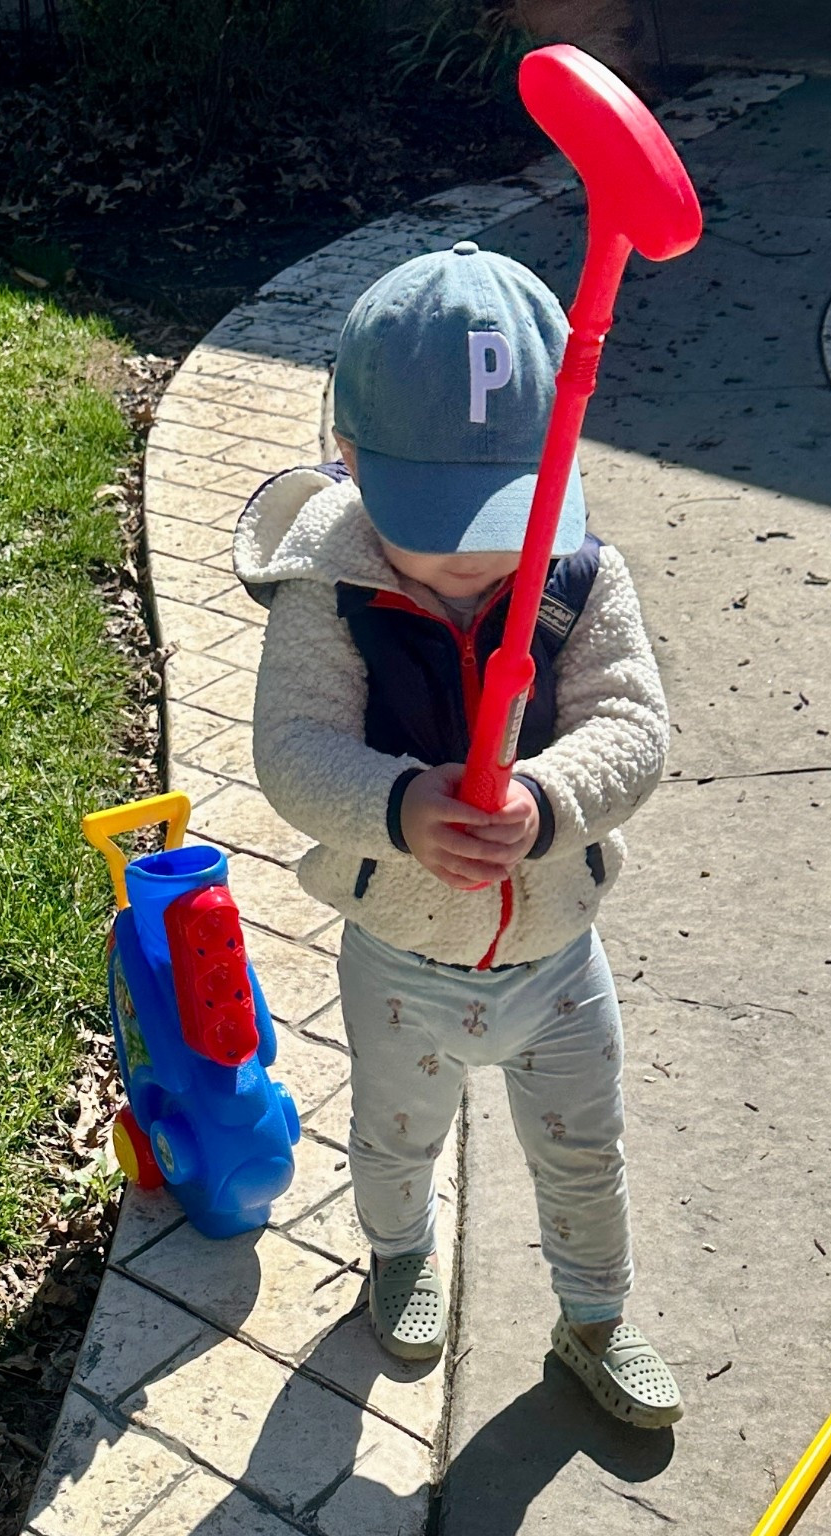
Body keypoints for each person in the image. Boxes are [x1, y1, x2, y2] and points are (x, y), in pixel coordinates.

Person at [234, 238, 681, 1429]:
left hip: (556, 958)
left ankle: (595, 1317)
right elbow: (293, 751)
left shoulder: (583, 578)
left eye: (511, 513)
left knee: (587, 1153)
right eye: (439, 521)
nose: (482, 557)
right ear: (349, 459)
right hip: (398, 960)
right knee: (393, 1135)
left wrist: (550, 803)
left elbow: (634, 726)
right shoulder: (326, 591)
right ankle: (396, 1252)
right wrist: (397, 808)